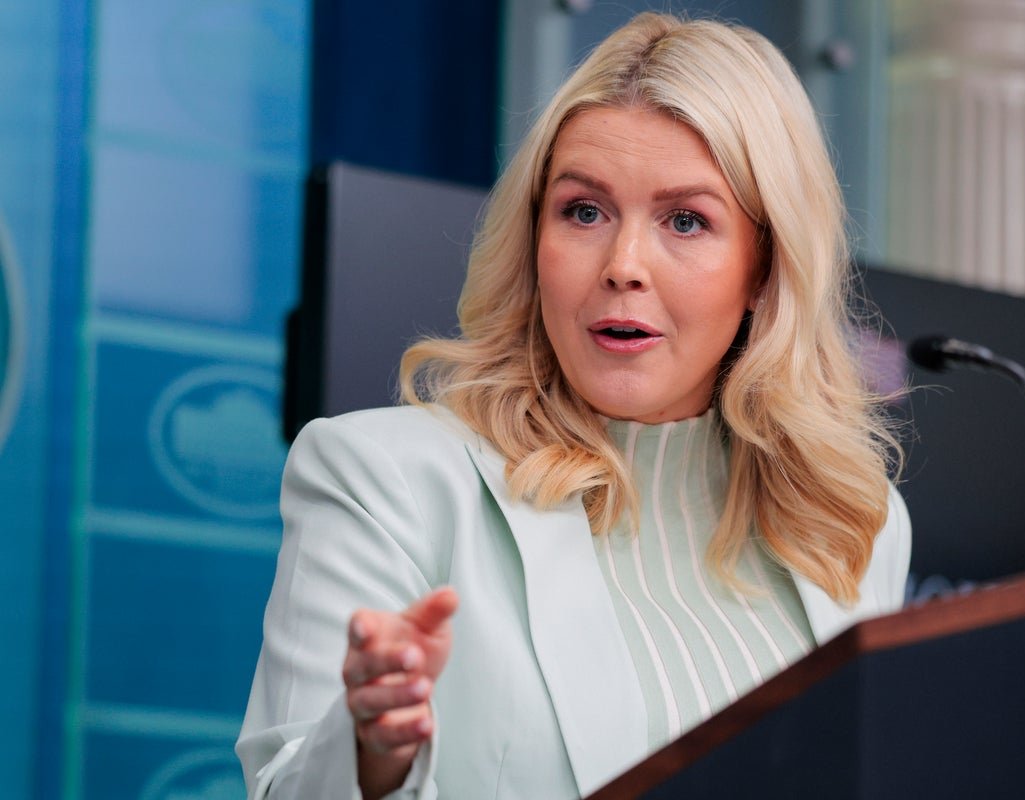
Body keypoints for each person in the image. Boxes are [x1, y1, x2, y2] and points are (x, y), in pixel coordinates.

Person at [237, 11, 910, 800]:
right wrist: (370, 748)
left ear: (764, 270)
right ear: (534, 239)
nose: (623, 264)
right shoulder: (384, 477)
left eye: (685, 221)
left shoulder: (856, 525)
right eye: (584, 211)